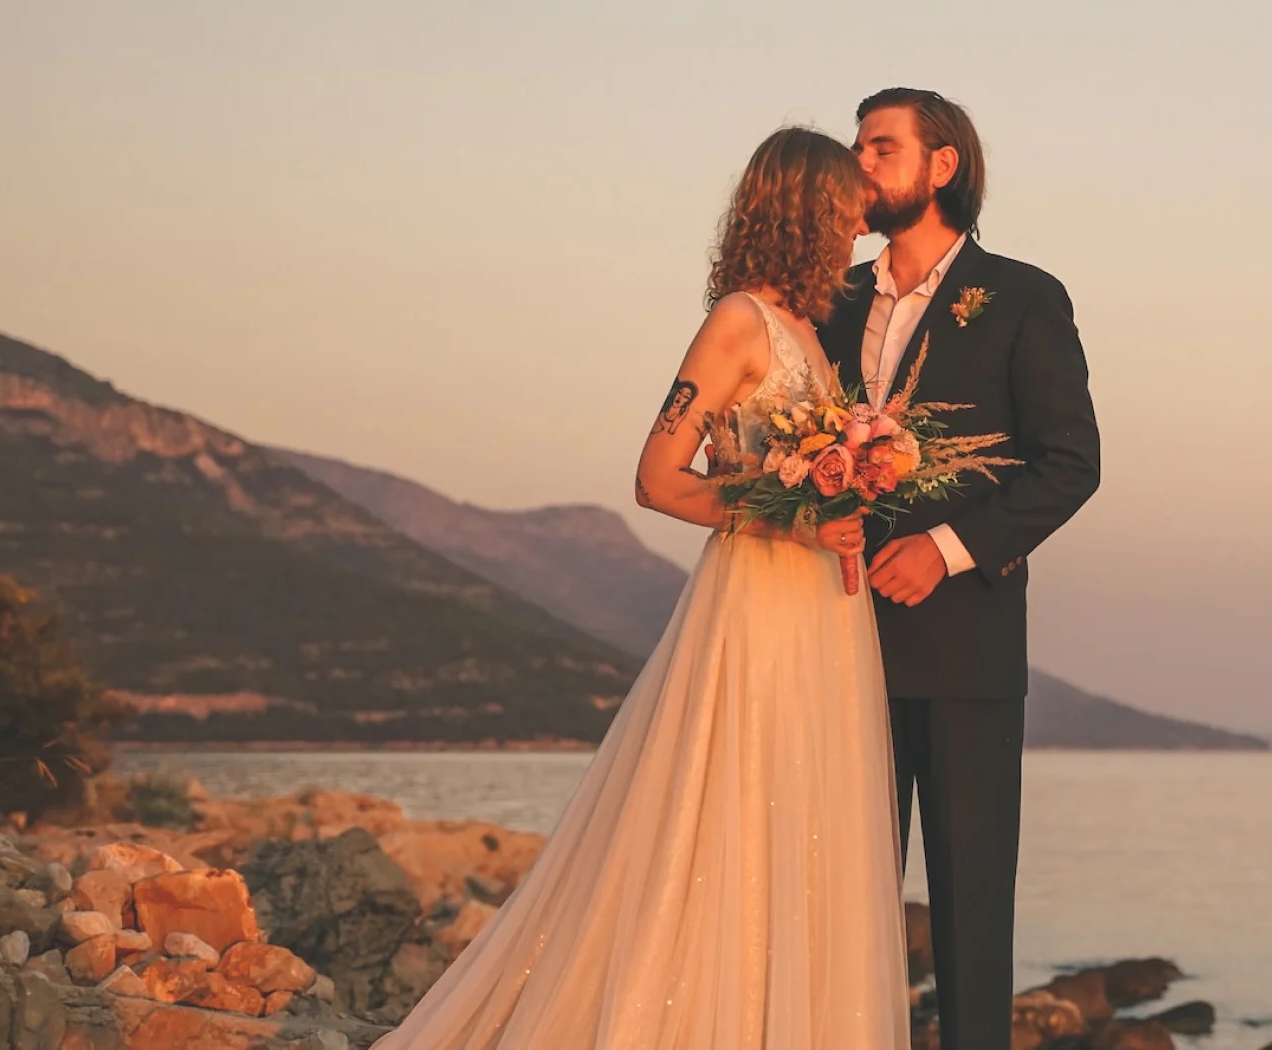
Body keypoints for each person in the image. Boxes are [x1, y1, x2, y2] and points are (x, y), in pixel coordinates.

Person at [377, 126, 912, 1050]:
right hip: (758, 604)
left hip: (823, 614)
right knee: (732, 811)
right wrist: (787, 515)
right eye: (849, 196)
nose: (867, 209)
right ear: (808, 207)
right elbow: (658, 477)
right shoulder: (739, 322)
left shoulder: (805, 335)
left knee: (806, 821)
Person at [823, 87, 1102, 1050]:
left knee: (971, 909)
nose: (860, 164)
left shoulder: (1024, 295)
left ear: (944, 165)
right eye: (856, 148)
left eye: (881, 147)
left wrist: (944, 553)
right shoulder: (830, 298)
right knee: (838, 900)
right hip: (829, 638)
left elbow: (1071, 464)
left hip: (965, 651)